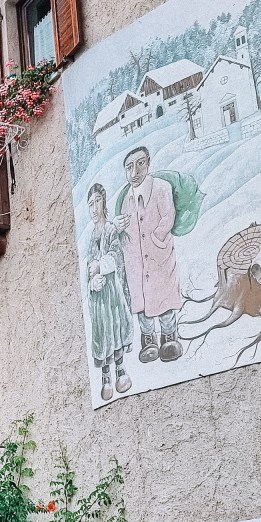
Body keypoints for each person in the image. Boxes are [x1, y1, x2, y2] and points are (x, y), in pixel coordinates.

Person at [114, 146, 183, 363]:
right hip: (135, 259)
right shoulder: (126, 197)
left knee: (163, 295)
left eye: (140, 164)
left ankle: (169, 336)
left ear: (148, 163)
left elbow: (168, 215)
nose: (134, 172)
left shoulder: (161, 187)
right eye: (129, 167)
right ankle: (148, 340)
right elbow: (124, 226)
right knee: (141, 300)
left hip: (158, 255)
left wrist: (158, 237)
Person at [85, 183, 133, 400]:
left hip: (112, 294)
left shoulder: (111, 229)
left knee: (115, 329)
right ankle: (105, 378)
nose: (94, 208)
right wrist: (92, 281)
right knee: (102, 334)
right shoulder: (90, 237)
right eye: (90, 204)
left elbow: (116, 255)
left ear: (104, 203)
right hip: (98, 299)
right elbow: (87, 268)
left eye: (97, 202)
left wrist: (100, 266)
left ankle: (121, 371)